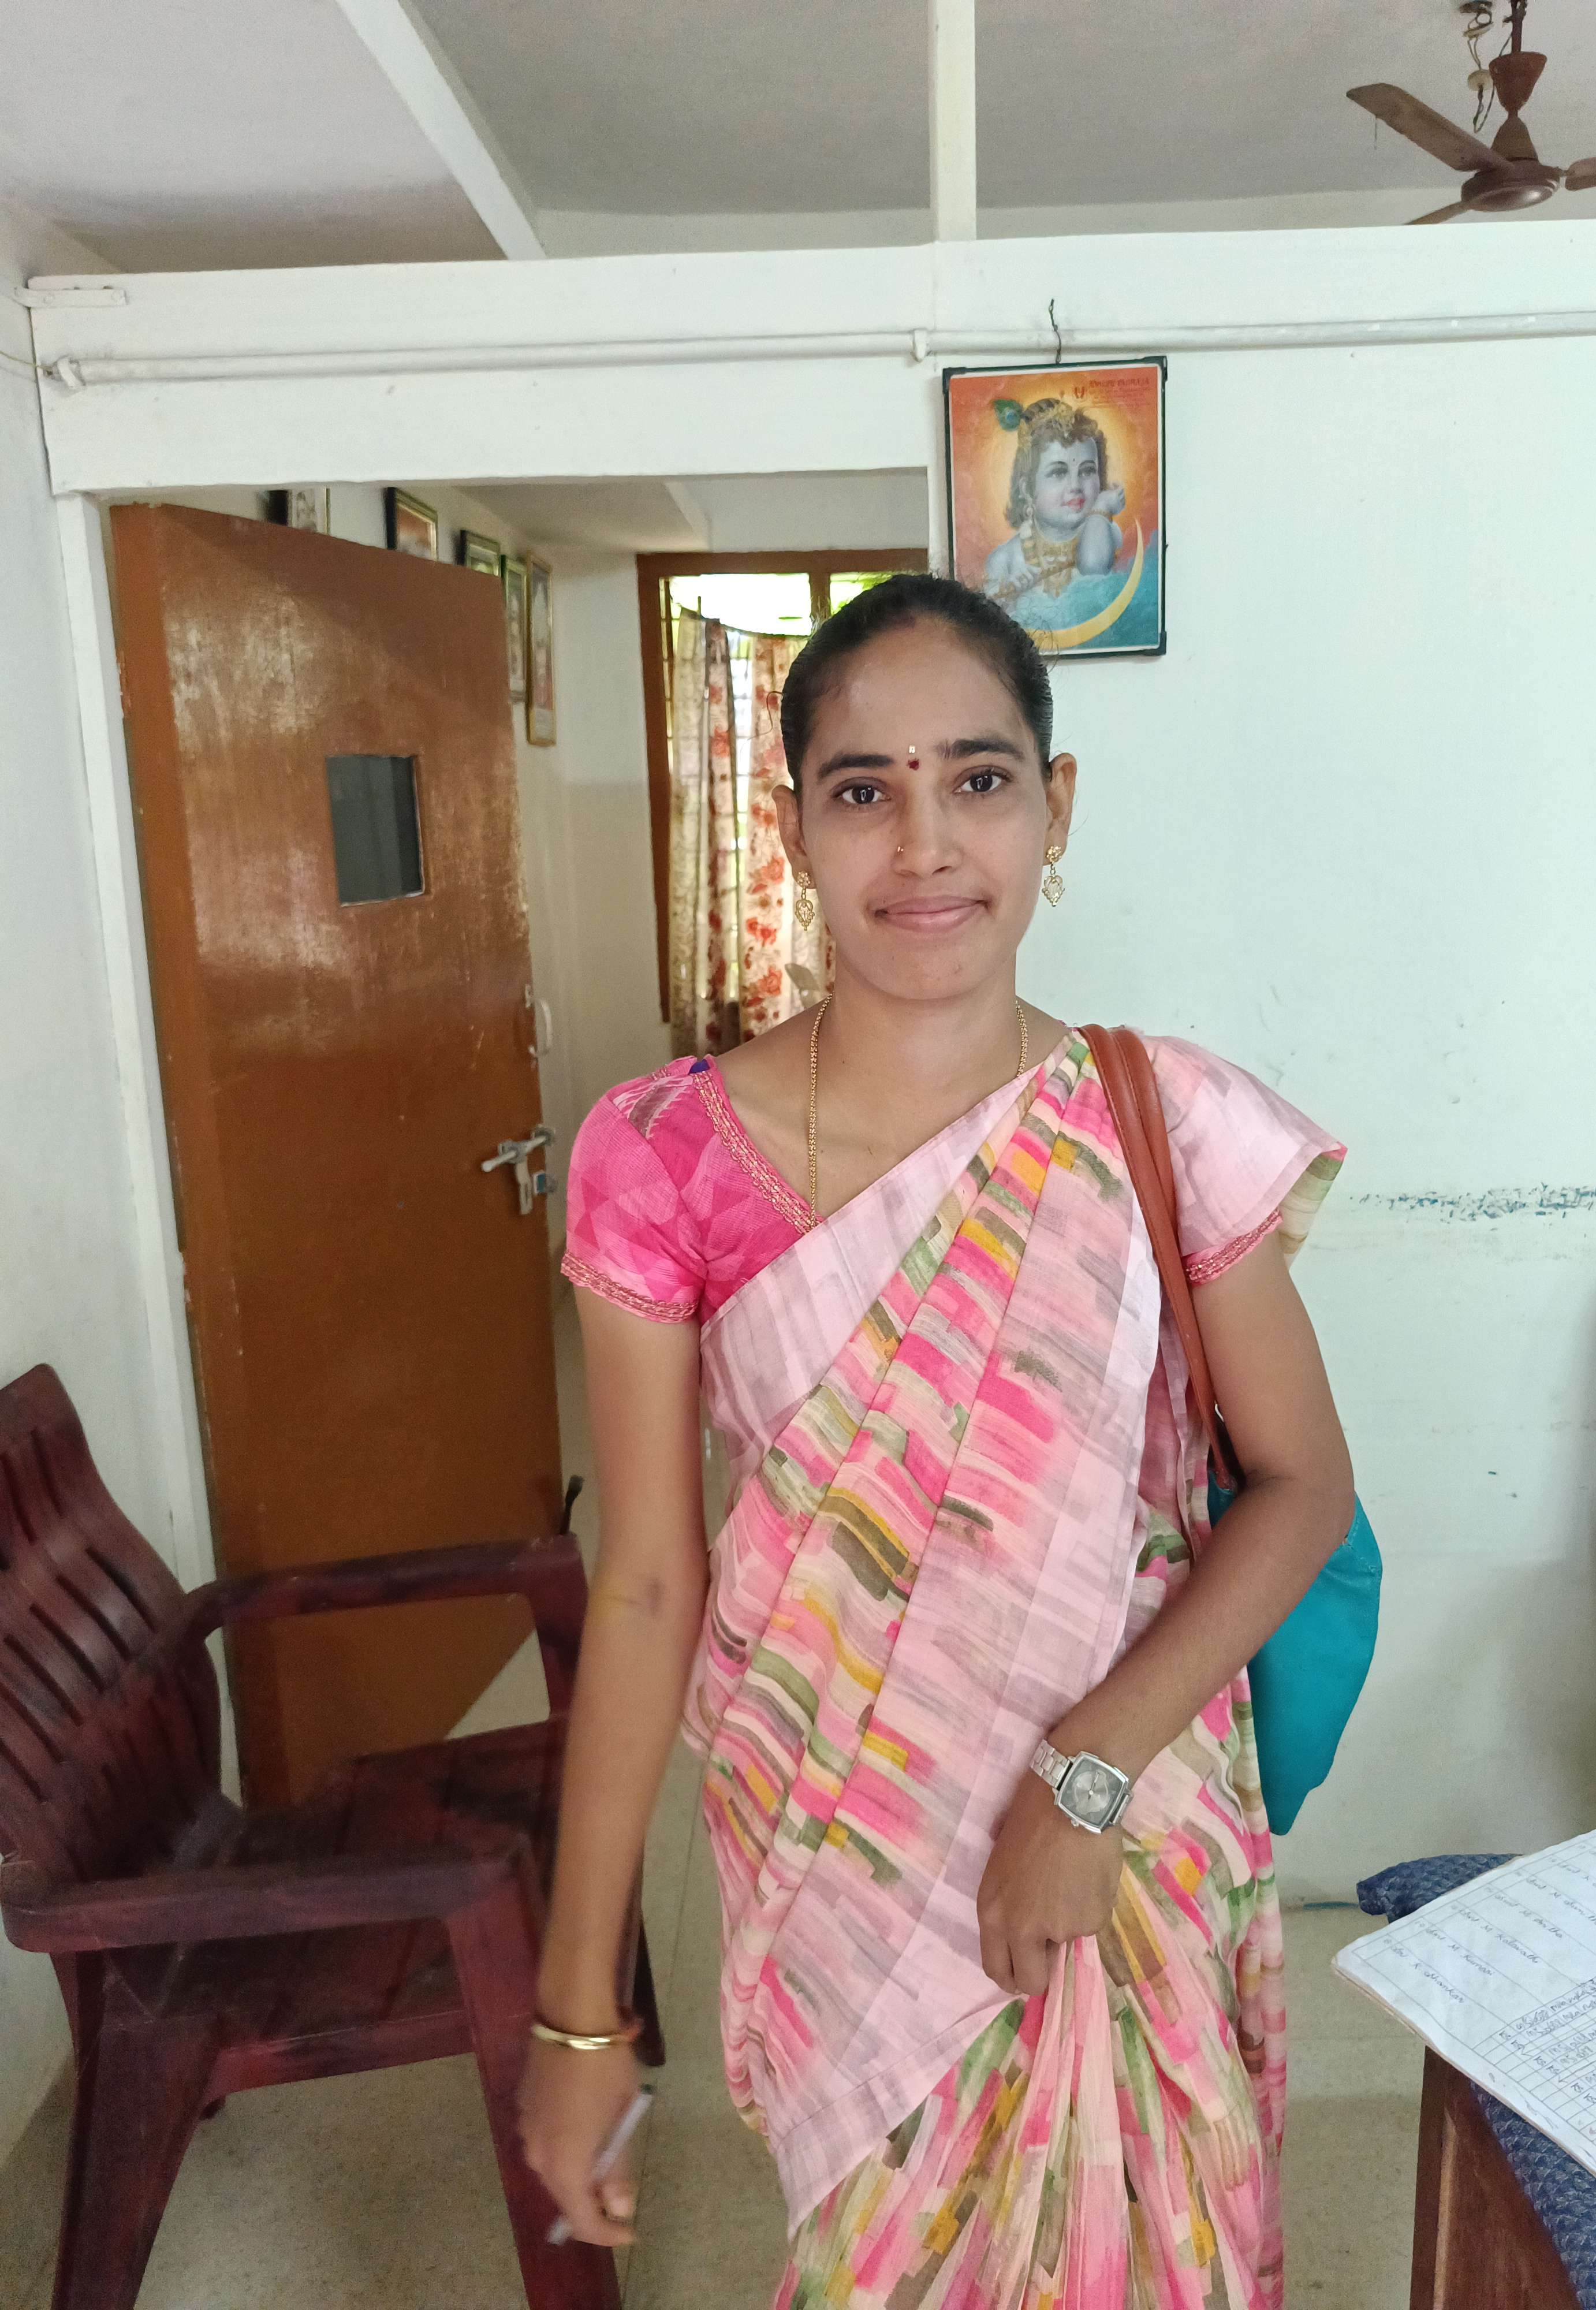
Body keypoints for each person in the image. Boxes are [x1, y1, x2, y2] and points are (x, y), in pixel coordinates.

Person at [519, 572, 1353, 2307]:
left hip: (1121, 1827)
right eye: (862, 789)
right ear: (791, 826)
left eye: (977, 778)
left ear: (1056, 805)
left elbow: (1299, 1488)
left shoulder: (1162, 1116)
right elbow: (650, 1586)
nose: (923, 845)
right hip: (832, 1841)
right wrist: (576, 2009)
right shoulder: (660, 1155)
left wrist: (1084, 1773)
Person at [982, 398, 1126, 628]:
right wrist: (1008, 598)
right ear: (1027, 489)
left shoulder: (1106, 533)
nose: (1075, 486)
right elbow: (984, 628)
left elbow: (1094, 566)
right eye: (1059, 473)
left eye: (1088, 471)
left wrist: (1102, 508)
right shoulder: (1004, 559)